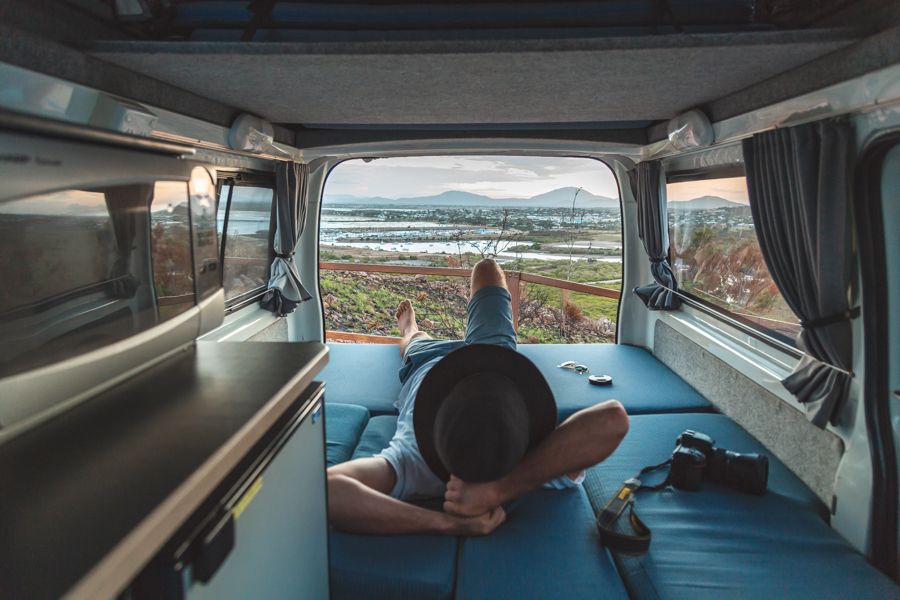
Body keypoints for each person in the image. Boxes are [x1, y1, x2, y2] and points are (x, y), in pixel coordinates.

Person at [327, 258, 629, 536]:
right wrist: (499, 489)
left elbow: (328, 490)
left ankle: (410, 328)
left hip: (430, 365)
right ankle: (413, 330)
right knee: (486, 269)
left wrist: (446, 523)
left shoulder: (415, 461)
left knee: (414, 343)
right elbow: (612, 420)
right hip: (491, 357)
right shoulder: (528, 456)